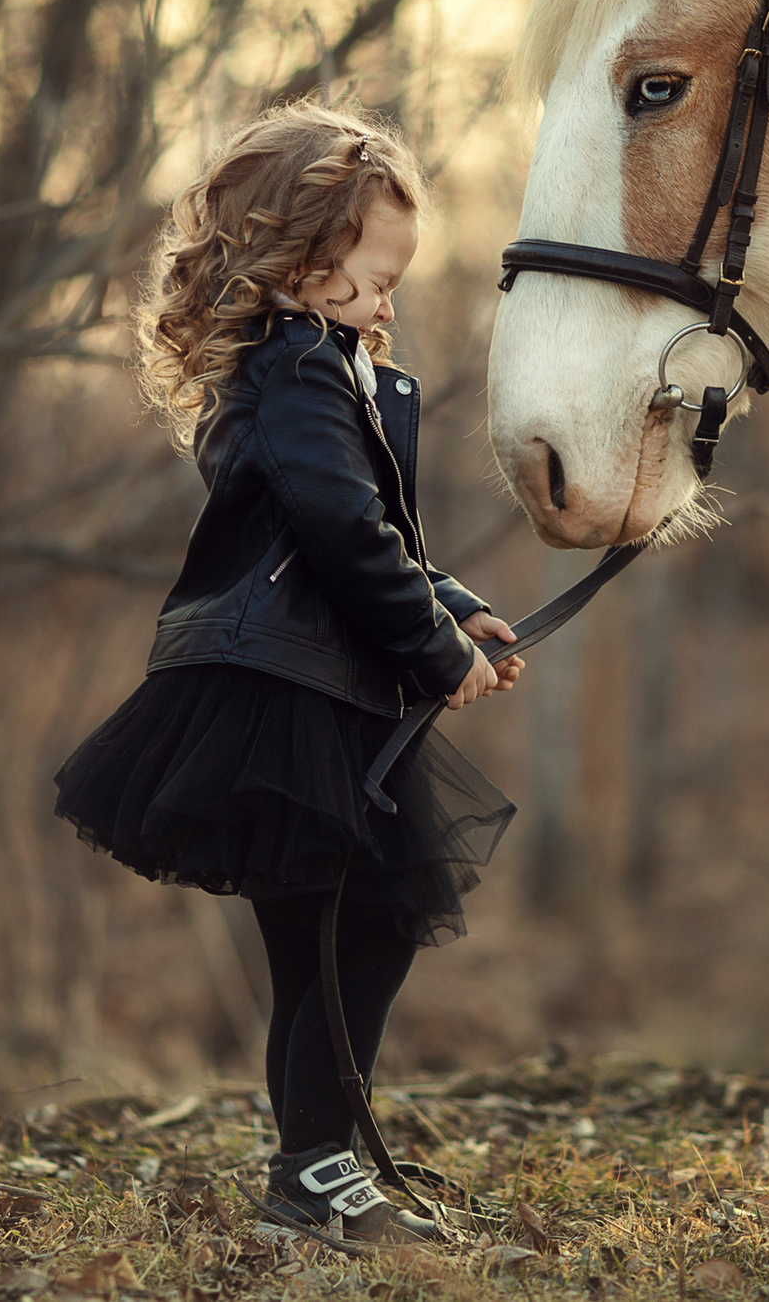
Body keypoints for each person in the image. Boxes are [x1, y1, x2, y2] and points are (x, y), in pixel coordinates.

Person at [55, 101, 523, 1246]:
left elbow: (373, 536)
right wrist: (430, 648)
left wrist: (457, 609)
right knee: (362, 923)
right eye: (370, 275)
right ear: (300, 263)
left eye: (394, 278)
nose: (388, 300)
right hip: (283, 690)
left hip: (310, 678)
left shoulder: (328, 368)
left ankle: (323, 1164)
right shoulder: (299, 370)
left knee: (336, 930)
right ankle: (316, 1169)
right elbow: (335, 527)